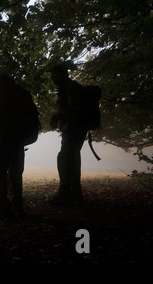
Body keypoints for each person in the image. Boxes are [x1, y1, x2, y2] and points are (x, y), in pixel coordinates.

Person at [0, 72, 34, 219]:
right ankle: (18, 207)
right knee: (15, 174)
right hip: (19, 140)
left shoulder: (0, 92)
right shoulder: (22, 93)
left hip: (1, 140)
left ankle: (3, 209)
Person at [48, 62, 88, 206]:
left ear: (61, 74)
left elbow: (77, 110)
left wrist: (59, 115)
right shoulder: (68, 88)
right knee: (73, 159)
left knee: (64, 158)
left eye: (54, 75)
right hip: (74, 130)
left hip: (74, 130)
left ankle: (65, 194)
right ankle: (75, 193)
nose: (52, 79)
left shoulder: (71, 88)